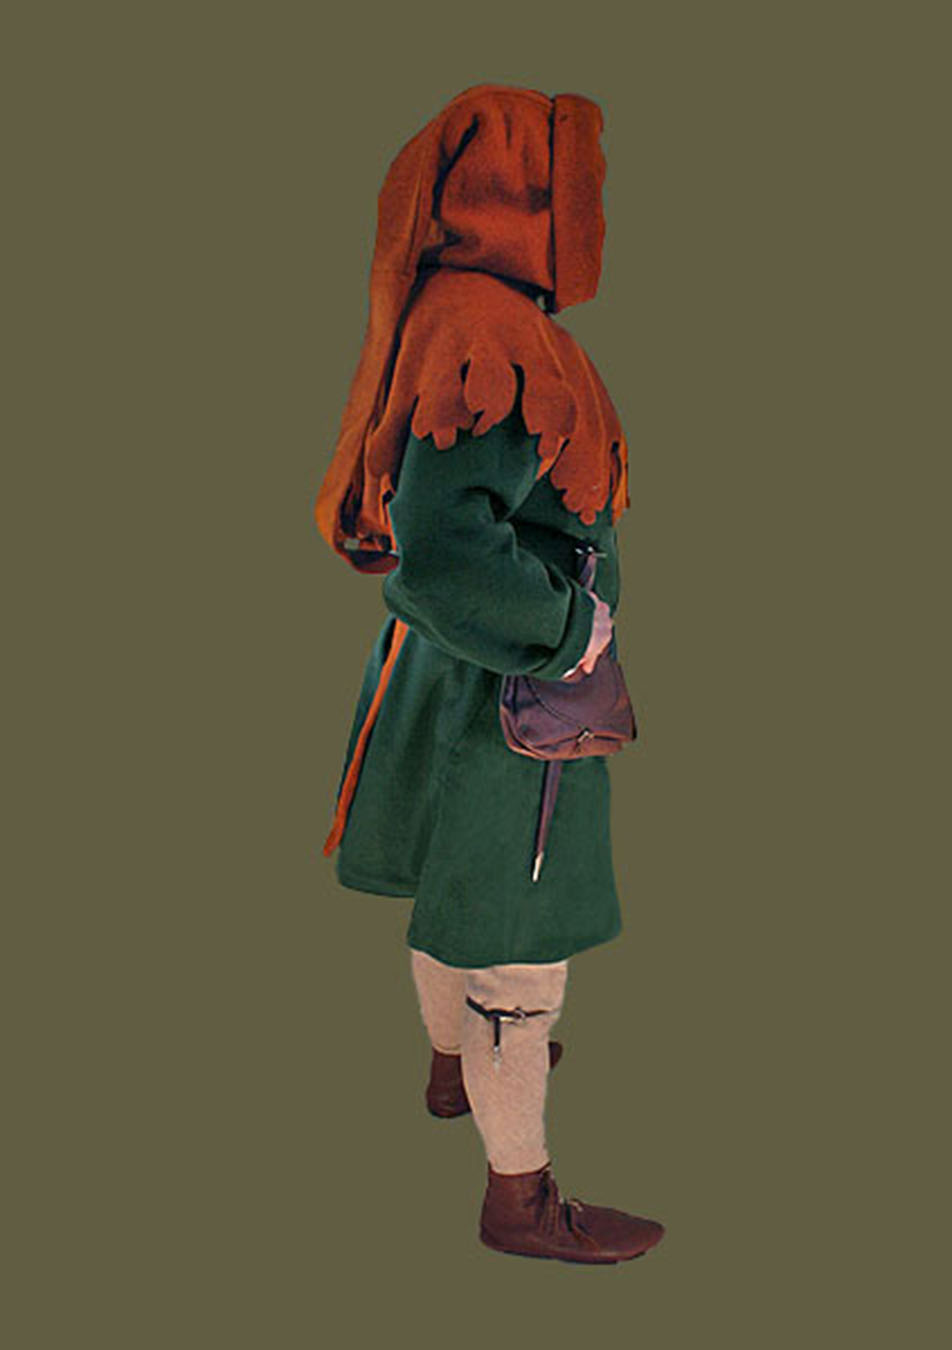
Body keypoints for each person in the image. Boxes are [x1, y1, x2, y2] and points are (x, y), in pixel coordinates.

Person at [313, 83, 665, 1264]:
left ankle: (452, 1066)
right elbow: (447, 551)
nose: (594, 211)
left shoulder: (449, 308)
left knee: (450, 890)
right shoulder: (493, 336)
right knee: (518, 941)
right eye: (578, 187)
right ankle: (520, 1198)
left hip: (444, 669)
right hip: (506, 686)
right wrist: (573, 635)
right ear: (527, 194)